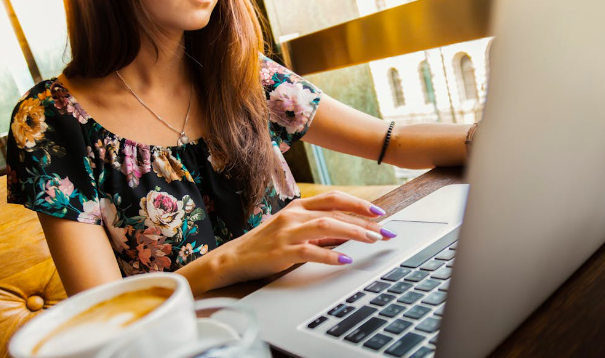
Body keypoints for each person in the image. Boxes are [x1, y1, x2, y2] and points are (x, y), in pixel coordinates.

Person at [6, 0, 474, 297]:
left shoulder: (239, 70)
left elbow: (389, 141)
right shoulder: (50, 121)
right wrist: (231, 260)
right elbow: (102, 314)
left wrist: (493, 135)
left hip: (314, 300)